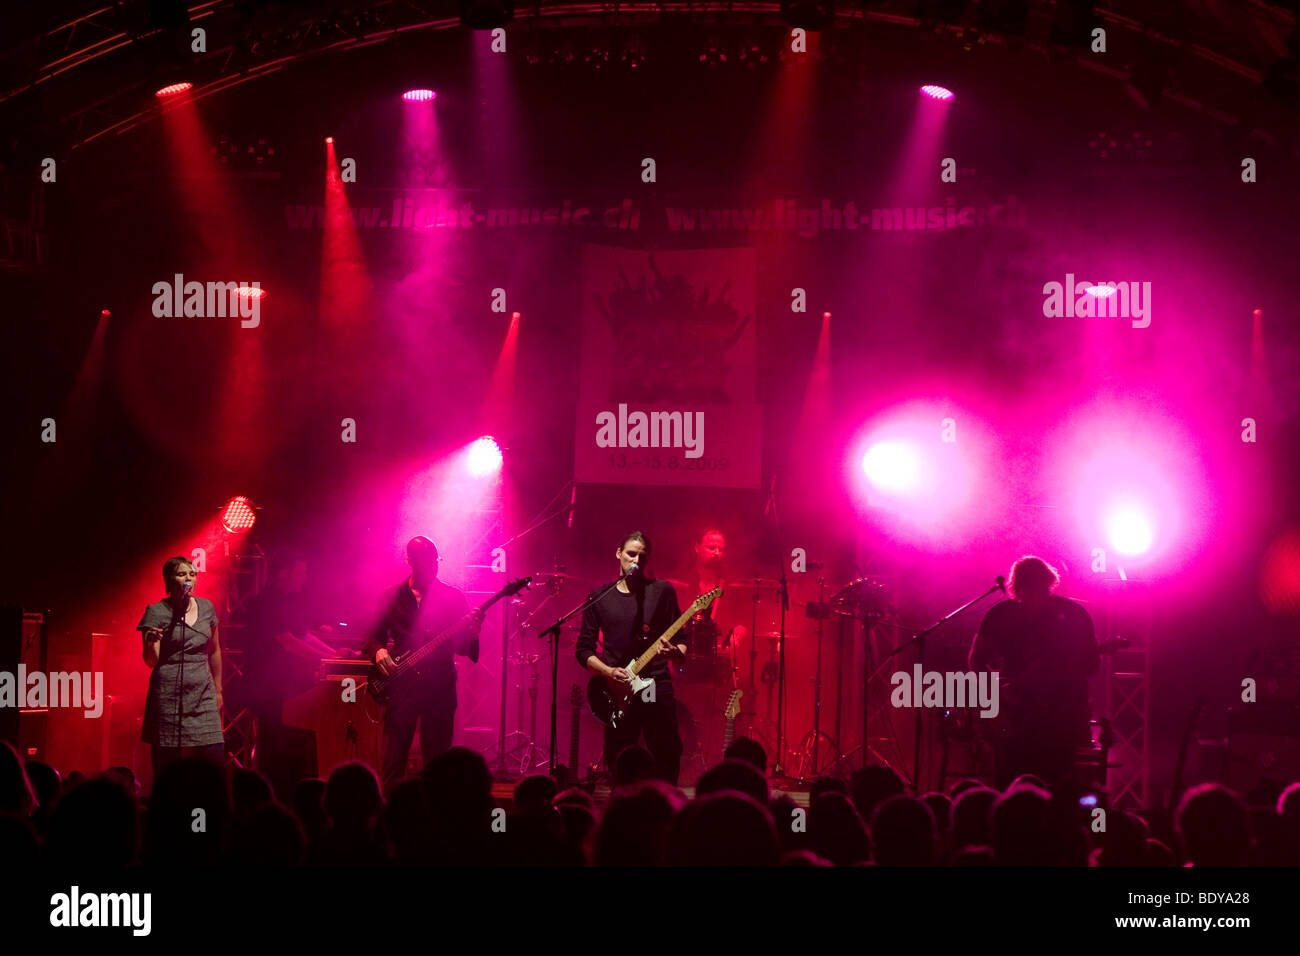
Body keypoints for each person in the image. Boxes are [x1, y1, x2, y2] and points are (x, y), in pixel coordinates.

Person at [363, 536, 483, 795]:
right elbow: (372, 637)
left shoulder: (452, 597)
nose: (432, 567)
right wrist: (380, 651)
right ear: (409, 561)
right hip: (401, 688)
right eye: (425, 562)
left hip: (439, 686)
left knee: (438, 764)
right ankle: (390, 819)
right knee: (393, 762)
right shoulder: (391, 596)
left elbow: (462, 647)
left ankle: (436, 821)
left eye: (434, 561)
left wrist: (473, 633)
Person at [968, 556, 1099, 789]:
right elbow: (976, 659)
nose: (1032, 597)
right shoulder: (1002, 614)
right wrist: (997, 691)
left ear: (1047, 584)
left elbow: (1090, 665)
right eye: (1026, 589)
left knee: (1051, 783)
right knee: (1012, 779)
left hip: (1059, 716)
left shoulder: (1072, 615)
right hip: (1015, 712)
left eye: (1035, 588)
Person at [577, 531, 685, 785]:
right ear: (619, 554)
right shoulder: (600, 596)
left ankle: (666, 811)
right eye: (631, 554)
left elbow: (681, 639)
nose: (636, 560)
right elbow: (584, 650)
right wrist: (608, 672)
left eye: (642, 556)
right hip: (619, 690)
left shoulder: (662, 591)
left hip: (656, 685)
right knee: (620, 757)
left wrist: (675, 653)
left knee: (668, 753)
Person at [242, 551, 336, 803]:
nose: (304, 578)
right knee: (276, 750)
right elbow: (288, 642)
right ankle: (273, 803)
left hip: (285, 690)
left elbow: (303, 636)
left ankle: (284, 800)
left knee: (289, 747)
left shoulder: (285, 602)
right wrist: (328, 660)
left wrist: (336, 656)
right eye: (300, 573)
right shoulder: (265, 603)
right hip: (269, 691)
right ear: (283, 574)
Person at [138, 556, 225, 777]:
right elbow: (151, 661)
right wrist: (150, 643)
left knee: (211, 761)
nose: (188, 578)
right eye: (181, 574)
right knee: (167, 765)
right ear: (168, 580)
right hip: (169, 695)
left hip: (203, 693)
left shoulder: (206, 608)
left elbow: (214, 650)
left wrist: (218, 689)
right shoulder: (157, 611)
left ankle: (209, 808)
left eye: (192, 574)